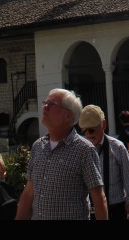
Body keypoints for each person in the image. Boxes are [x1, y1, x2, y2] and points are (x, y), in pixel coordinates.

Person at [15, 88, 108, 220]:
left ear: (68, 115)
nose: (45, 108)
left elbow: (99, 200)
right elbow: (28, 193)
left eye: (51, 104)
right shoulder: (38, 146)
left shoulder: (84, 150)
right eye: (45, 103)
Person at [80, 105, 129, 220]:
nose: (88, 135)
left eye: (91, 130)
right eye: (84, 131)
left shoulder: (117, 148)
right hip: (88, 212)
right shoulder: (80, 150)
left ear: (103, 124)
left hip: (114, 210)